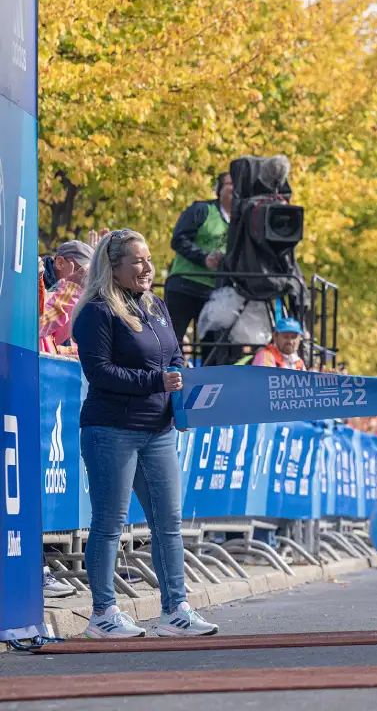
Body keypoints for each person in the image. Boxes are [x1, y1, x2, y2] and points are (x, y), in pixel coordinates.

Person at [71, 230, 218, 637]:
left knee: (168, 522)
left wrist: (179, 390)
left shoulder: (156, 306)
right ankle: (102, 613)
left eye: (149, 259)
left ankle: (176, 611)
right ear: (113, 267)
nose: (147, 267)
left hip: (160, 429)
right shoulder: (96, 312)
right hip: (111, 429)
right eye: (137, 261)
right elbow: (99, 372)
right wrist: (157, 381)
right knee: (109, 524)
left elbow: (174, 357)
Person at [164, 172, 233, 345]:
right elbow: (178, 239)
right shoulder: (202, 210)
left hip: (215, 292)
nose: (236, 188)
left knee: (213, 345)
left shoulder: (242, 222)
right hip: (184, 285)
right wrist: (203, 258)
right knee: (173, 342)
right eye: (230, 183)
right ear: (219, 189)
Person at [39, 240, 95, 354]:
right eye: (82, 271)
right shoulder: (36, 285)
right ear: (60, 263)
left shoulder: (75, 294)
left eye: (91, 275)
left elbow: (56, 338)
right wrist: (71, 290)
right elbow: (37, 329)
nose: (85, 279)